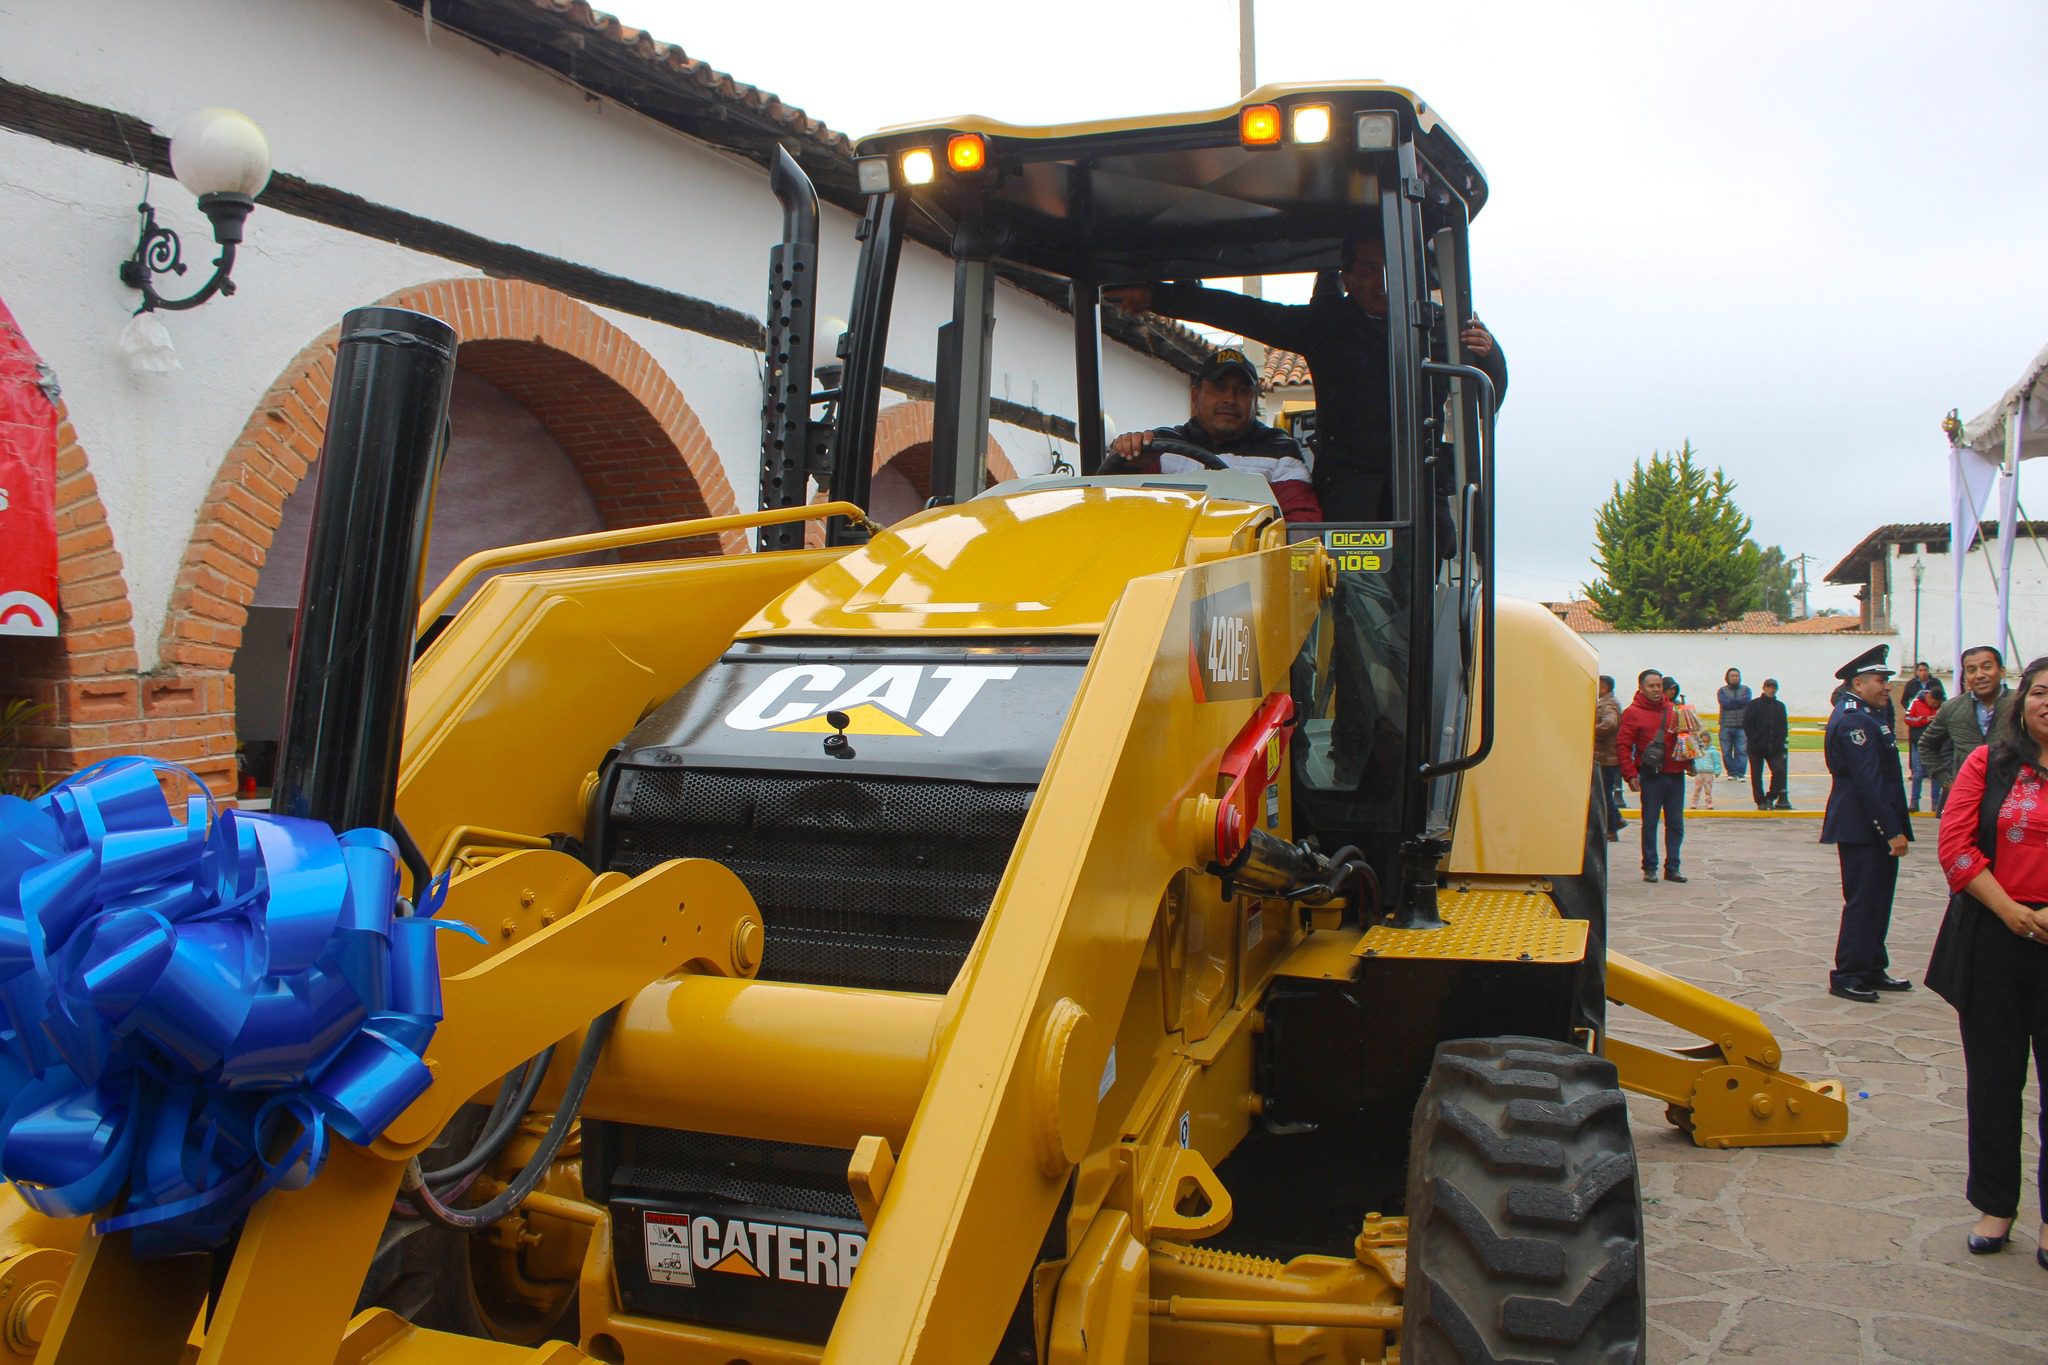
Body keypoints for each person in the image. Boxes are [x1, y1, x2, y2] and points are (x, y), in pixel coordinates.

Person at [1105, 234, 1507, 520]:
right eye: (1370, 269)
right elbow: (1247, 313)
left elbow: (1487, 398)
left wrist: (1490, 357)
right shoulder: (1329, 325)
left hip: (1421, 500)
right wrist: (1160, 297)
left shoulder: (1440, 327)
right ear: (1347, 279)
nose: (1383, 282)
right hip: (1349, 502)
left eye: (1392, 269)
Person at [1925, 654, 2048, 1265]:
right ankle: (1996, 1205)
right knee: (1995, 1081)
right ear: (2020, 702)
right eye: (2040, 692)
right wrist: (2010, 911)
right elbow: (1955, 844)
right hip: (1995, 937)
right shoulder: (1987, 762)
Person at [1104, 348, 1322, 521]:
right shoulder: (1159, 447)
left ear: (1255, 400)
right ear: (1195, 395)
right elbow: (1112, 508)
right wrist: (1127, 460)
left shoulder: (1281, 454)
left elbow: (1301, 526)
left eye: (1242, 390)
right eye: (1219, 387)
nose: (1230, 398)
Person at [1821, 644, 1913, 1002]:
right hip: (1863, 827)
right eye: (1880, 679)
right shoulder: (1855, 719)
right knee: (1863, 901)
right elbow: (1868, 781)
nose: (1887, 686)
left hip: (1868, 823)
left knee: (1878, 899)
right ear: (1858, 683)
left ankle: (1872, 965)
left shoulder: (1868, 712)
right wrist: (1890, 830)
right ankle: (1848, 973)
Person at [1616, 668, 1688, 884]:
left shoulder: (1674, 709)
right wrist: (1629, 774)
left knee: (1675, 823)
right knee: (1650, 823)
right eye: (1651, 686)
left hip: (1676, 775)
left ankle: (1673, 867)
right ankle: (1650, 866)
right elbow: (1623, 745)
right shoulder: (1632, 713)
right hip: (1651, 777)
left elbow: (1686, 739)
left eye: (1659, 685)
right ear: (1641, 688)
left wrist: (1690, 759)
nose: (1656, 690)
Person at [1921, 646, 2008, 801]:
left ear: (2002, 671)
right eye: (1972, 670)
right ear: (1965, 676)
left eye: (1987, 667)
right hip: (1966, 800)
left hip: (2012, 798)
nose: (1980, 675)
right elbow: (1926, 745)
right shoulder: (1952, 708)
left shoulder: (2022, 705)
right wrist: (1946, 781)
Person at [1746, 677, 1792, 810]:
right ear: (1764, 688)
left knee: (1779, 771)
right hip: (1756, 747)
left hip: (1775, 747)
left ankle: (1771, 796)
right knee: (1756, 775)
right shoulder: (1754, 704)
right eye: (1769, 687)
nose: (1771, 690)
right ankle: (1760, 800)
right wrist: (1755, 739)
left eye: (1773, 688)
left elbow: (1783, 726)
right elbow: (1748, 724)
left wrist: (1779, 742)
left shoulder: (1780, 706)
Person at [1904, 682, 1945, 814]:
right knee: (1918, 774)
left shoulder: (1943, 706)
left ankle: (1936, 804)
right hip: (1918, 742)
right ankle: (1914, 802)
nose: (1935, 706)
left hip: (1937, 744)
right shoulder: (1916, 702)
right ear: (1929, 698)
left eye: (1937, 704)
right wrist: (1925, 719)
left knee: (1936, 774)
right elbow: (1908, 718)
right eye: (1933, 703)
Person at [1595, 675, 1625, 841]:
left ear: (1605, 687)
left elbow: (1610, 724)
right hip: (1606, 755)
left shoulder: (1608, 704)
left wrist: (1591, 729)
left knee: (1604, 793)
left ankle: (1612, 827)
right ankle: (1616, 819)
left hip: (1607, 756)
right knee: (1605, 792)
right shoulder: (1605, 703)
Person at [1716, 668, 1752, 783]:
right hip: (1726, 725)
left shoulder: (1746, 690)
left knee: (1741, 750)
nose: (1735, 678)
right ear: (1728, 677)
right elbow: (1725, 703)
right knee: (1726, 751)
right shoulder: (1722, 691)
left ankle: (1740, 773)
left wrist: (1733, 702)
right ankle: (1731, 772)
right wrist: (1738, 702)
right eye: (1733, 676)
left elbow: (1746, 701)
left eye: (1737, 676)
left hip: (1742, 726)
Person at [1691, 728, 1722, 809]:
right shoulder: (1697, 750)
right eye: (1703, 741)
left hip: (1708, 772)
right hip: (1699, 772)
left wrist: (1717, 771)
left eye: (1707, 741)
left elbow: (1717, 762)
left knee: (1708, 788)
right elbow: (1693, 759)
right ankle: (1694, 802)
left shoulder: (1713, 751)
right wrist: (1692, 769)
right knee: (1697, 788)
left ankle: (1709, 802)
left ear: (1710, 741)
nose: (1705, 743)